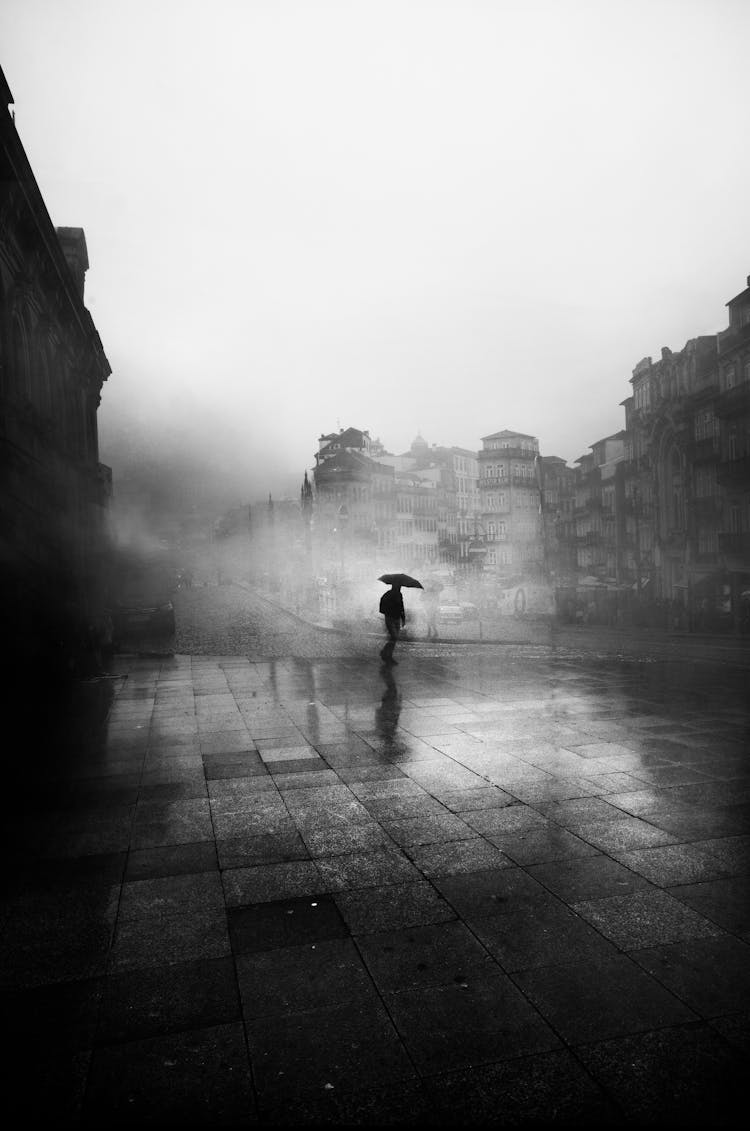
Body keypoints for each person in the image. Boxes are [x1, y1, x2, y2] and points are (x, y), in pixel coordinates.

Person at [379, 583, 405, 664]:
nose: (400, 588)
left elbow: (401, 607)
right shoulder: (388, 594)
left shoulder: (399, 595)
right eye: (399, 586)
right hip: (390, 618)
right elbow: (382, 606)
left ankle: (388, 655)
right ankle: (385, 653)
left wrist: (403, 618)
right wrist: (389, 611)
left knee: (394, 638)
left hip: (397, 618)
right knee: (394, 637)